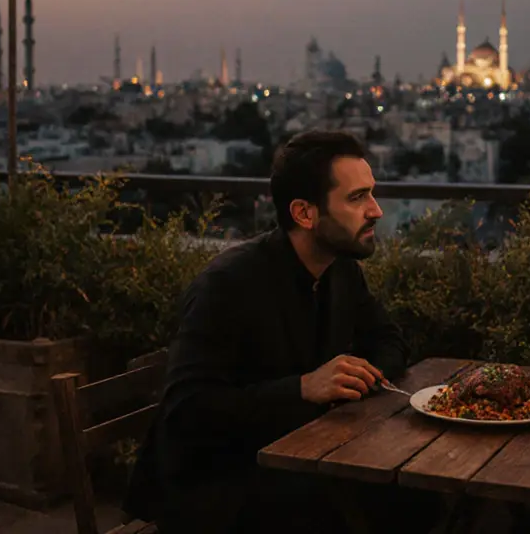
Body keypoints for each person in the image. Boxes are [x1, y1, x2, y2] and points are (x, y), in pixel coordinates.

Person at [123, 130, 412, 532]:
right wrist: (303, 388)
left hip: (296, 462)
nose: (376, 210)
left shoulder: (340, 269)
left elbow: (389, 340)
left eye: (371, 194)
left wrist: (357, 377)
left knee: (410, 499)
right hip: (215, 489)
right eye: (357, 197)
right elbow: (188, 412)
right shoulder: (228, 285)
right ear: (304, 214)